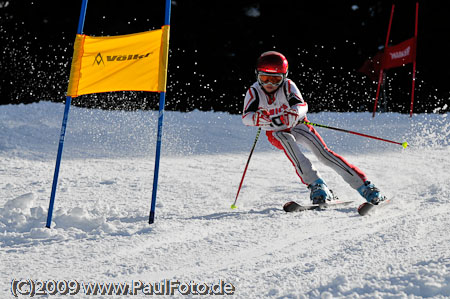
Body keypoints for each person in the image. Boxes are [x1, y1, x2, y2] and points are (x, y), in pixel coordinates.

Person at [242, 51, 385, 205]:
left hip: (298, 125)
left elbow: (302, 105)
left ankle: (365, 187)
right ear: (257, 76)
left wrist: (294, 112)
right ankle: (317, 185)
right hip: (276, 132)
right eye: (264, 78)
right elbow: (246, 117)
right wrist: (256, 118)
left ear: (284, 77)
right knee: (289, 145)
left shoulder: (288, 86)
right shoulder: (254, 91)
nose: (269, 84)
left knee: (323, 154)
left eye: (275, 79)